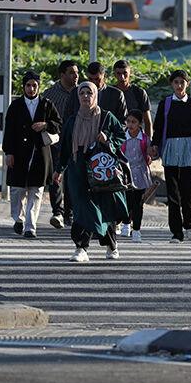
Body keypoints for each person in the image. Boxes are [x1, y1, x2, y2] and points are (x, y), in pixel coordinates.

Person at [56, 81, 129, 262]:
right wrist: (58, 170)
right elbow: (65, 148)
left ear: (95, 95)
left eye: (89, 93)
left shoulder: (106, 117)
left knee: (104, 205)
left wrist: (107, 137)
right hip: (77, 167)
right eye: (82, 93)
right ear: (77, 96)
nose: (85, 96)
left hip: (100, 167)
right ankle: (81, 248)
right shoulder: (72, 121)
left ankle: (112, 245)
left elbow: (121, 136)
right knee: (81, 206)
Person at [2, 71, 62, 238]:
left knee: (36, 191)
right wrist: (9, 153)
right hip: (19, 153)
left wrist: (46, 125)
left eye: (34, 85)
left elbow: (59, 124)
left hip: (40, 153)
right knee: (16, 190)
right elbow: (9, 131)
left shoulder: (47, 104)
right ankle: (18, 219)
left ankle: (30, 226)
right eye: (28, 85)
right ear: (24, 86)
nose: (31, 89)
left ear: (38, 86)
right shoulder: (15, 106)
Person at [150, 69, 191, 243]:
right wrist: (155, 145)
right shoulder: (166, 104)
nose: (179, 85)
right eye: (176, 82)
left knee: (186, 190)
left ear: (187, 84)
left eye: (182, 82)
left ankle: (189, 222)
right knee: (173, 192)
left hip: (188, 148)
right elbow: (158, 127)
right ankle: (176, 232)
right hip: (171, 148)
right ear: (171, 84)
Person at [113, 59, 153, 238]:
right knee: (121, 192)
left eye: (125, 74)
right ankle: (123, 222)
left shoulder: (138, 93)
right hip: (119, 144)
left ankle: (133, 226)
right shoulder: (111, 92)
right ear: (113, 74)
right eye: (118, 74)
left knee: (137, 196)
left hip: (139, 150)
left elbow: (148, 119)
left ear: (130, 73)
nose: (122, 77)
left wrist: (150, 147)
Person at [42, 60, 80, 229]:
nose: (76, 76)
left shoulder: (82, 93)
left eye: (77, 72)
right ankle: (58, 211)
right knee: (56, 177)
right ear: (62, 75)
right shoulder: (50, 94)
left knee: (72, 178)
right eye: (72, 72)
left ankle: (69, 214)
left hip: (76, 141)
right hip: (56, 141)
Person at [120, 109, 152, 243]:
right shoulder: (122, 137)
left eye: (134, 122)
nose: (130, 125)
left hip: (140, 173)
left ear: (140, 123)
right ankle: (126, 223)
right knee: (126, 200)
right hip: (125, 173)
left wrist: (152, 154)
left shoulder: (145, 139)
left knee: (138, 203)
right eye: (128, 121)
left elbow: (152, 154)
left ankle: (137, 230)